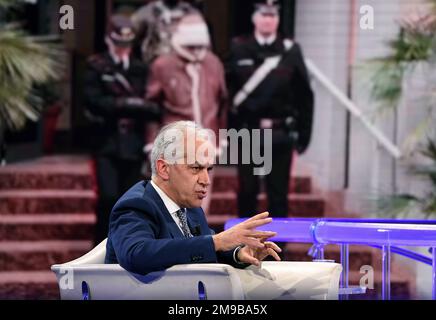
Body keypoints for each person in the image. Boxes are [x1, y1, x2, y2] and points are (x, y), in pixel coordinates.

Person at [105, 121, 281, 275]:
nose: (206, 181)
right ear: (164, 168)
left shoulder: (191, 209)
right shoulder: (137, 205)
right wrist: (217, 241)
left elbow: (202, 248)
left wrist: (239, 254)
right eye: (196, 168)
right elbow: (137, 254)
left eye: (208, 169)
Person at [226, 0, 314, 219]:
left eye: (272, 16)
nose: (268, 20)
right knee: (247, 191)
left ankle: (278, 249)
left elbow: (305, 95)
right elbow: (227, 91)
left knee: (278, 194)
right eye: (263, 15)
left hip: (280, 133)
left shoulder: (290, 50)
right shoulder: (239, 48)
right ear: (254, 18)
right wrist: (228, 131)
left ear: (277, 20)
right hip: (248, 133)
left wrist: (304, 134)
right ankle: (243, 245)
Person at [84, 15, 160, 245]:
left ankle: (125, 243)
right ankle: (101, 244)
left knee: (130, 198)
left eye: (126, 45)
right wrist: (127, 105)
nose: (122, 50)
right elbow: (93, 101)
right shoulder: (97, 66)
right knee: (107, 196)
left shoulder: (140, 69)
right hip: (107, 139)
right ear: (109, 41)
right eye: (118, 44)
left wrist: (133, 107)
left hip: (134, 141)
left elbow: (153, 105)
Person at [145, 13, 228, 213]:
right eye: (191, 46)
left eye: (200, 46)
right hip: (175, 142)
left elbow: (223, 102)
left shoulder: (213, 63)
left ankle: (196, 241)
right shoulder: (163, 65)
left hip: (207, 140)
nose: (196, 52)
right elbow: (151, 107)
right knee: (174, 199)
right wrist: (150, 142)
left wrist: (222, 139)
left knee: (201, 199)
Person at [131, 0, 197, 63]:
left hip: (182, 63)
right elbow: (130, 34)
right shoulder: (148, 12)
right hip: (153, 62)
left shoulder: (191, 13)